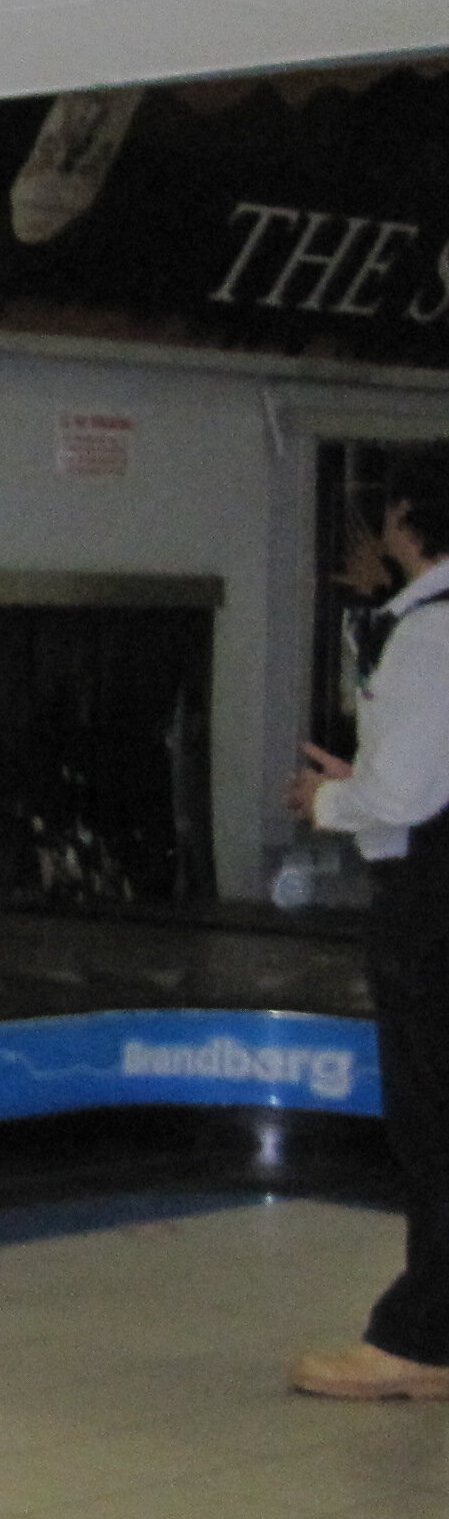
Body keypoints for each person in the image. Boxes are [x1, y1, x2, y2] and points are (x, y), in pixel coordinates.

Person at [289, 445, 449, 1398]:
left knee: (433, 1121)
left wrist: (328, 802)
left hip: (433, 904)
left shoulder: (429, 634)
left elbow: (406, 791)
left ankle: (416, 1339)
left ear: (403, 521)